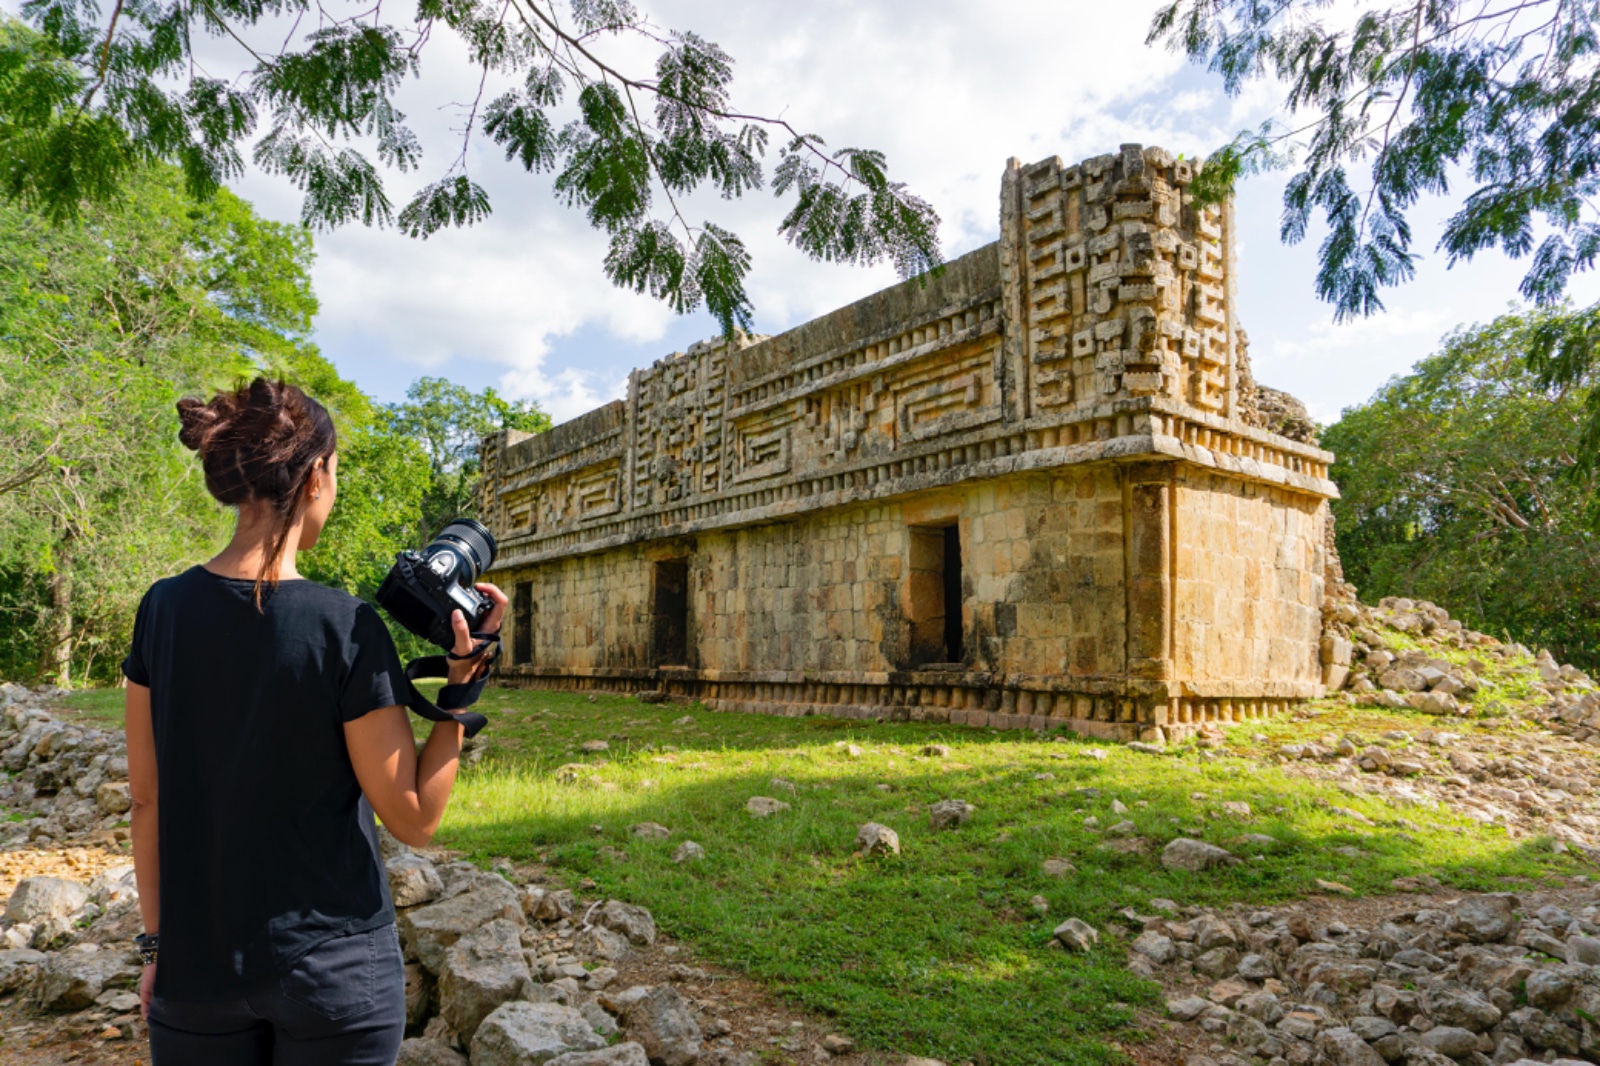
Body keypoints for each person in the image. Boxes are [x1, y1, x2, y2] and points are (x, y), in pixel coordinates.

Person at [122, 377, 506, 1065]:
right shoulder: (344, 625)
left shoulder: (162, 610)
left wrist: (157, 947)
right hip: (335, 974)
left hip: (198, 974)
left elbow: (146, 800)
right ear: (316, 478)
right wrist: (459, 692)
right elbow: (415, 820)